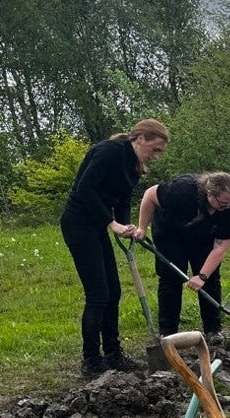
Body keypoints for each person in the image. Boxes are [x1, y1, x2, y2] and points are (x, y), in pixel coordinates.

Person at [60, 119, 170, 377]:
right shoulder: (108, 152)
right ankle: (91, 362)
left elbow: (121, 199)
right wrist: (111, 223)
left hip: (97, 226)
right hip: (78, 224)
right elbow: (85, 189)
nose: (156, 156)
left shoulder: (133, 166)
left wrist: (125, 225)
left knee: (114, 291)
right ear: (140, 138)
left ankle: (113, 353)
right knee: (98, 294)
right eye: (154, 149)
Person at [135, 172, 230, 344]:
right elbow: (150, 194)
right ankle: (168, 333)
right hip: (170, 234)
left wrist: (202, 276)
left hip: (203, 237)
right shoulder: (182, 190)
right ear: (210, 194)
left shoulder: (229, 211)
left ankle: (213, 330)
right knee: (171, 280)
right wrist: (141, 228)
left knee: (211, 279)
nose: (227, 207)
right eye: (223, 203)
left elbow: (221, 247)